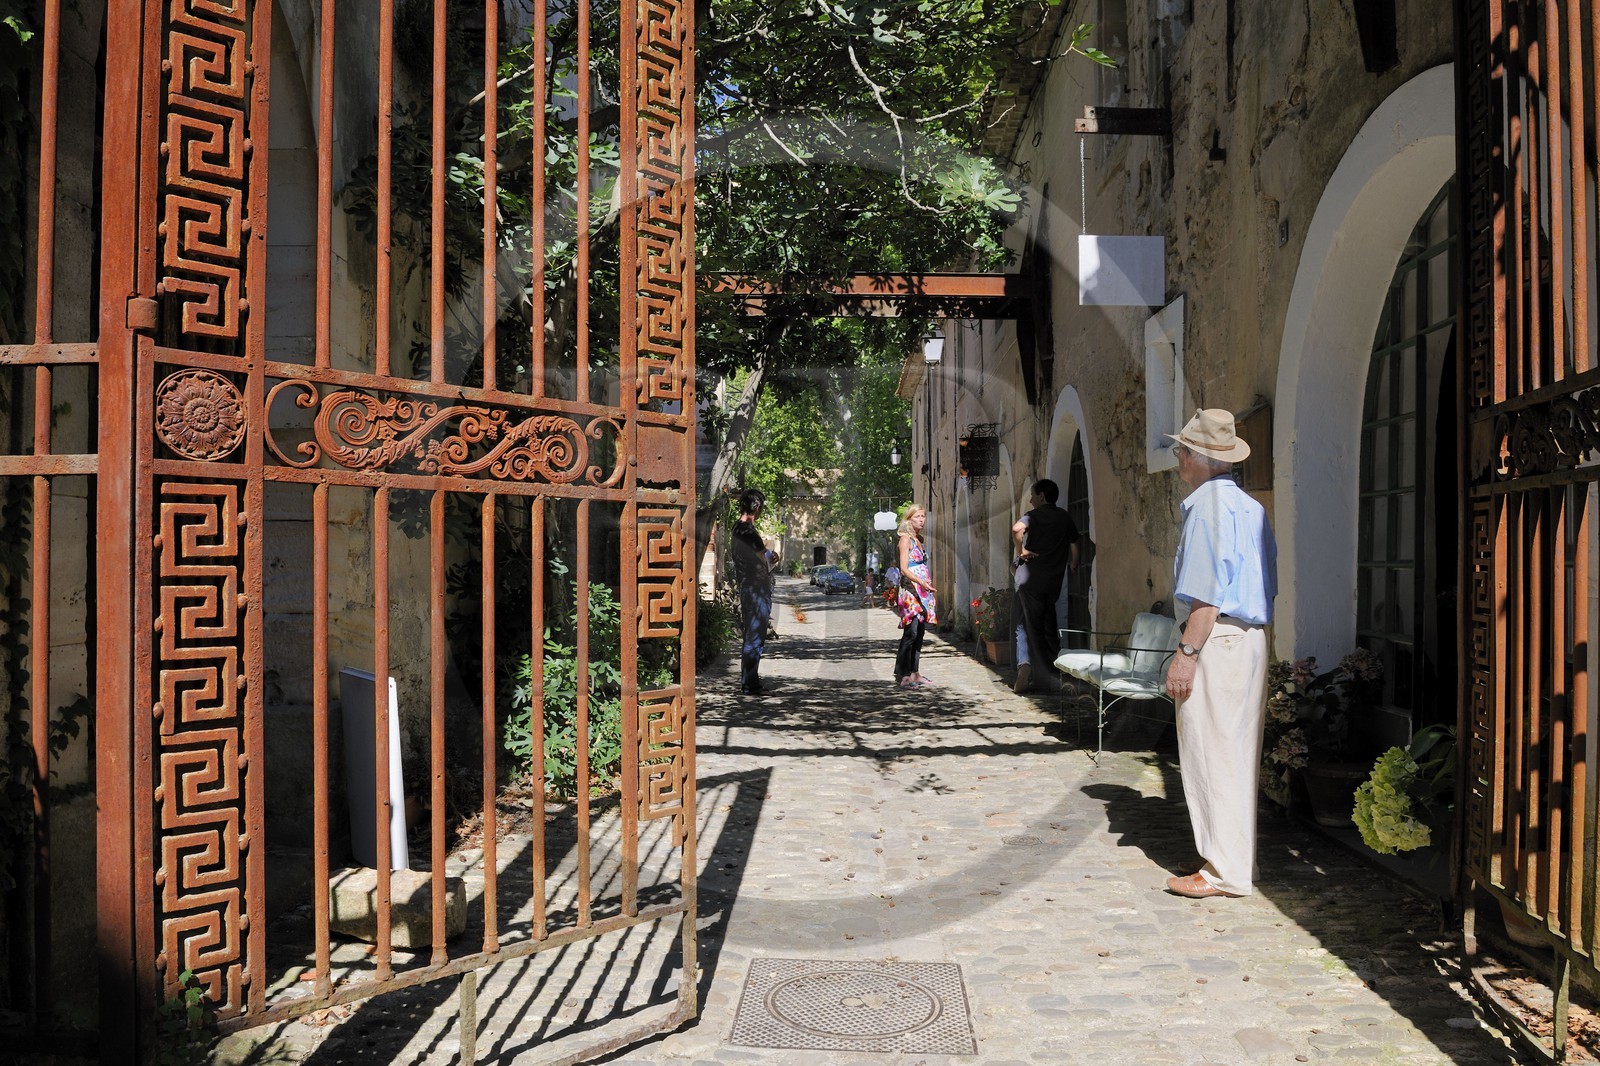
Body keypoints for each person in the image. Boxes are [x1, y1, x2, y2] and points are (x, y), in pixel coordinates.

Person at [1161, 409, 1278, 899]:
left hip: (1218, 637)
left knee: (1211, 752)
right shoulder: (1250, 507)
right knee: (1237, 753)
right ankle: (1233, 861)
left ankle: (1222, 871)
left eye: (1181, 451)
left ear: (1197, 458)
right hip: (1248, 638)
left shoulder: (1206, 506)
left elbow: (1206, 596)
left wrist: (1186, 653)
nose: (1178, 459)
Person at [1010, 478, 1080, 694]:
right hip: (1052, 582)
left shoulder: (1034, 515)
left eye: (1033, 495)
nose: (1030, 500)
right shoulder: (1064, 517)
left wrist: (1021, 551)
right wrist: (1073, 563)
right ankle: (1051, 672)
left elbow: (1016, 529)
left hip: (1029, 580)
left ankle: (1027, 666)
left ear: (1042, 496)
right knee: (1047, 624)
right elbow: (1075, 544)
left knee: (1024, 625)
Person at [731, 488, 778, 696]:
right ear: (757, 508)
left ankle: (748, 681)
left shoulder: (736, 529)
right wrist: (774, 557)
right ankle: (751, 684)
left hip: (746, 587)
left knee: (751, 636)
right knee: (755, 638)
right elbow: (764, 562)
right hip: (756, 590)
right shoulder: (749, 533)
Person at [890, 503, 937, 689]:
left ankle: (915, 673)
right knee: (911, 633)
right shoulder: (905, 539)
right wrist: (920, 581)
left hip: (923, 591)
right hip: (911, 591)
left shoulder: (919, 540)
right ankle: (902, 674)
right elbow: (903, 568)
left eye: (923, 516)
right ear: (909, 519)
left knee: (920, 634)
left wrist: (926, 586)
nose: (922, 520)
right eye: (917, 516)